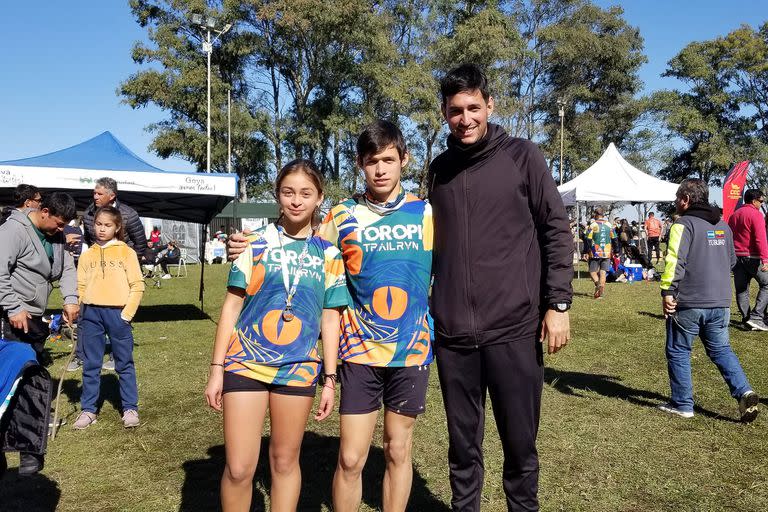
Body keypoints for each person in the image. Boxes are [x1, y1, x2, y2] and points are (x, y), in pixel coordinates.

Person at [428, 64, 572, 511]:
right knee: (463, 452)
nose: (465, 118)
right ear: (444, 113)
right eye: (455, 110)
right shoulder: (438, 170)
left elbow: (556, 229)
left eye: (473, 107)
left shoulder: (523, 156)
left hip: (514, 329)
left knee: (520, 448)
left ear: (490, 105)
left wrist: (559, 302)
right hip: (453, 337)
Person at [205, 159, 347, 511]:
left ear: (319, 198)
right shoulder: (252, 245)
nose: (296, 201)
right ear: (277, 196)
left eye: (305, 193)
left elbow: (331, 320)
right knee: (239, 468)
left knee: (284, 463)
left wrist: (330, 378)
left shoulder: (329, 254)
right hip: (245, 363)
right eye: (288, 192)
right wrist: (216, 368)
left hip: (299, 367)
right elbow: (231, 308)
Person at [323, 121, 433, 512]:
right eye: (372, 162)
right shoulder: (340, 216)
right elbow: (301, 248)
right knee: (351, 458)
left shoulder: (426, 212)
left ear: (404, 159)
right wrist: (252, 242)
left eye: (389, 159)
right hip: (358, 351)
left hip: (411, 349)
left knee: (397, 450)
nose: (381, 169)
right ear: (360, 165)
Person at [659, 178, 759, 422]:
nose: (675, 202)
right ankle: (744, 391)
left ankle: (682, 404)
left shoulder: (682, 225)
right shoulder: (723, 225)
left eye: (676, 198)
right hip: (721, 301)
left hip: (690, 301)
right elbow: (732, 261)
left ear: (685, 200)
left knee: (679, 350)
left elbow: (674, 261)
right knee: (721, 349)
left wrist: (667, 291)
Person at [0, 191, 79, 473]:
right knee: (7, 387)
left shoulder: (56, 235)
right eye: (58, 224)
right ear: (43, 211)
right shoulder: (13, 230)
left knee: (28, 385)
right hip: (9, 319)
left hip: (33, 321)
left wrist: (70, 298)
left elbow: (67, 268)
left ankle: (29, 450)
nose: (62, 230)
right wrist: (12, 307)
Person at [73, 206, 145, 430]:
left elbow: (137, 285)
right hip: (91, 314)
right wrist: (82, 309)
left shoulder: (126, 252)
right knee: (91, 363)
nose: (102, 229)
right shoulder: (87, 254)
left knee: (124, 363)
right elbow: (81, 286)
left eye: (107, 225)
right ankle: (88, 410)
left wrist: (127, 314)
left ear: (117, 227)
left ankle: (130, 407)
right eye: (98, 224)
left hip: (118, 314)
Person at [79, 177, 148, 371]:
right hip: (96, 275)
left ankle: (116, 356)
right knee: (90, 317)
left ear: (112, 196)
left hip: (122, 272)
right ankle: (84, 355)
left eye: (99, 193)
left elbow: (140, 243)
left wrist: (124, 258)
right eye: (94, 192)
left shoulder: (129, 214)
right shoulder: (88, 214)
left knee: (120, 320)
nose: (95, 196)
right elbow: (88, 240)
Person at [727, 188, 768, 331]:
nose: (761, 204)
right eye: (761, 201)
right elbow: (760, 239)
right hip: (753, 257)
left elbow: (729, 237)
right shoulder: (756, 215)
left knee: (742, 289)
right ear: (754, 200)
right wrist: (765, 259)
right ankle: (757, 317)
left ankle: (746, 319)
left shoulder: (734, 215)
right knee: (767, 284)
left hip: (737, 257)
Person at [586, 206, 617, 299]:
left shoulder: (592, 225)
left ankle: (597, 284)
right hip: (607, 252)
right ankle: (600, 291)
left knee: (592, 271)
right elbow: (615, 238)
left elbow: (587, 239)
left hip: (595, 252)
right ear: (603, 215)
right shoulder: (609, 225)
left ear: (596, 214)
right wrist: (617, 250)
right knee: (603, 272)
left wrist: (585, 251)